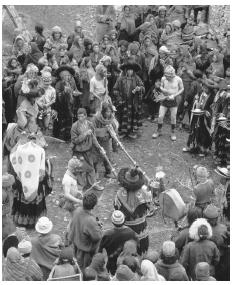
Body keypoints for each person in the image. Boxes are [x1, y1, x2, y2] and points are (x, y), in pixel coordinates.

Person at [114, 167, 152, 254]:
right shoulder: (144, 192)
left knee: (127, 252)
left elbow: (116, 210)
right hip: (141, 228)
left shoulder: (120, 194)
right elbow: (149, 205)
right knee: (142, 250)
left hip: (126, 229)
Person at [70, 108, 104, 191]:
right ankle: (80, 186)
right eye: (78, 116)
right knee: (79, 169)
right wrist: (85, 134)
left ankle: (92, 184)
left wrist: (99, 147)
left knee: (91, 168)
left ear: (85, 116)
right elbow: (74, 140)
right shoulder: (74, 126)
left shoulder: (90, 124)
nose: (80, 118)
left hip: (88, 150)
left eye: (82, 116)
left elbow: (93, 138)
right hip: (78, 151)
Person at [68, 193, 103, 271]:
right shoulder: (90, 220)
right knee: (85, 270)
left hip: (76, 244)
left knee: (78, 264)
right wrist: (99, 228)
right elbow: (97, 237)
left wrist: (95, 224)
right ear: (94, 206)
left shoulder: (77, 210)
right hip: (85, 251)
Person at [98, 210, 138, 275]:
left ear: (112, 221)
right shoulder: (131, 232)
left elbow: (99, 251)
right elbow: (137, 247)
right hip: (128, 264)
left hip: (112, 265)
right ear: (123, 220)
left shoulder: (107, 234)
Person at [113, 58, 145, 139]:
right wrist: (119, 98)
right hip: (123, 102)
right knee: (122, 116)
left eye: (131, 70)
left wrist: (139, 88)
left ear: (133, 71)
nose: (130, 72)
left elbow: (143, 87)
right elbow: (115, 89)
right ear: (126, 70)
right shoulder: (120, 79)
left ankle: (130, 131)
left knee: (132, 116)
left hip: (133, 102)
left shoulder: (137, 78)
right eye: (128, 70)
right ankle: (123, 132)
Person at [152, 65, 184, 141]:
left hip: (174, 101)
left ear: (172, 75)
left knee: (173, 117)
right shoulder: (163, 78)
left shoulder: (178, 79)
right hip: (165, 100)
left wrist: (175, 95)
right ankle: (158, 130)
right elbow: (161, 87)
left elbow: (182, 88)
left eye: (168, 76)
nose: (167, 77)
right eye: (166, 76)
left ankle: (173, 132)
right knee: (160, 116)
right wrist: (163, 90)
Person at [53, 65, 80, 140]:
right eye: (65, 76)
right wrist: (64, 93)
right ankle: (58, 135)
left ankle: (68, 135)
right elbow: (57, 95)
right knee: (61, 120)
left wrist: (75, 93)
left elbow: (75, 90)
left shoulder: (72, 82)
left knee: (70, 119)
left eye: (68, 75)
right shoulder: (59, 84)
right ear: (61, 76)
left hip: (70, 105)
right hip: (61, 106)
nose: (67, 77)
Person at [92, 102, 117, 178]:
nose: (108, 113)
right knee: (95, 157)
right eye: (106, 111)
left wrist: (114, 145)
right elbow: (93, 131)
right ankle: (95, 171)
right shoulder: (96, 118)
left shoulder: (111, 119)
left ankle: (108, 171)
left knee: (107, 156)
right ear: (103, 111)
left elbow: (114, 131)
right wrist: (103, 130)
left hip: (106, 141)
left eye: (110, 111)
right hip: (97, 140)